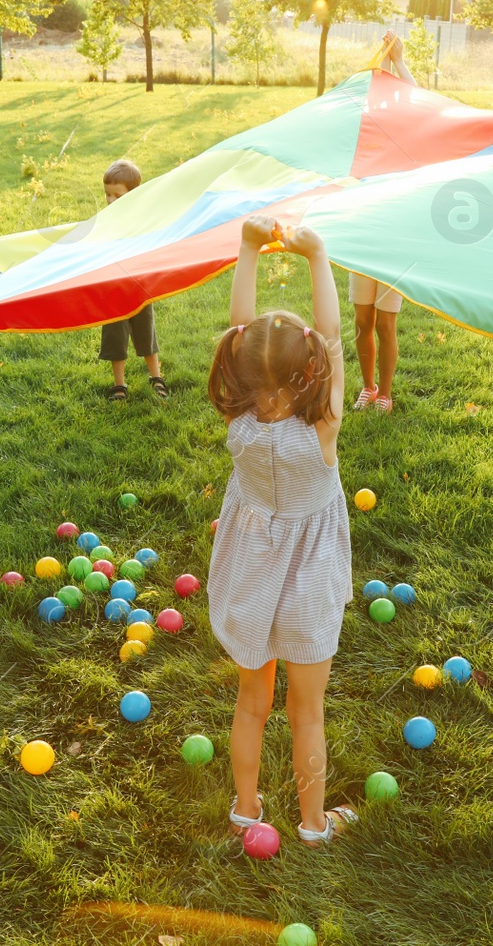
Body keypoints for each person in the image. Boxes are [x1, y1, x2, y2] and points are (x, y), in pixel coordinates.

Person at [206, 212, 357, 847]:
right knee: (307, 712)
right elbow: (332, 335)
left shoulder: (240, 419)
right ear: (310, 375)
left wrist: (246, 248)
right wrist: (317, 255)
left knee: (251, 703)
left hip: (250, 580)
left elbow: (238, 328)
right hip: (308, 583)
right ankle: (314, 824)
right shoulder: (321, 425)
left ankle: (247, 809)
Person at [350, 30, 416, 413]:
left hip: (395, 241)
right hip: (363, 237)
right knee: (362, 320)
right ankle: (368, 386)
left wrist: (400, 61)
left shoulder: (408, 145)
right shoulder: (364, 141)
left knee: (385, 324)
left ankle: (386, 393)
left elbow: (419, 102)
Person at [99, 160, 167, 401]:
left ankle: (156, 376)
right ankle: (119, 384)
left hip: (139, 287)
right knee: (115, 338)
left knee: (146, 333)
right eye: (107, 194)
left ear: (133, 194)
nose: (110, 200)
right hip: (113, 289)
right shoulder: (103, 220)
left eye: (117, 195)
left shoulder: (142, 221)